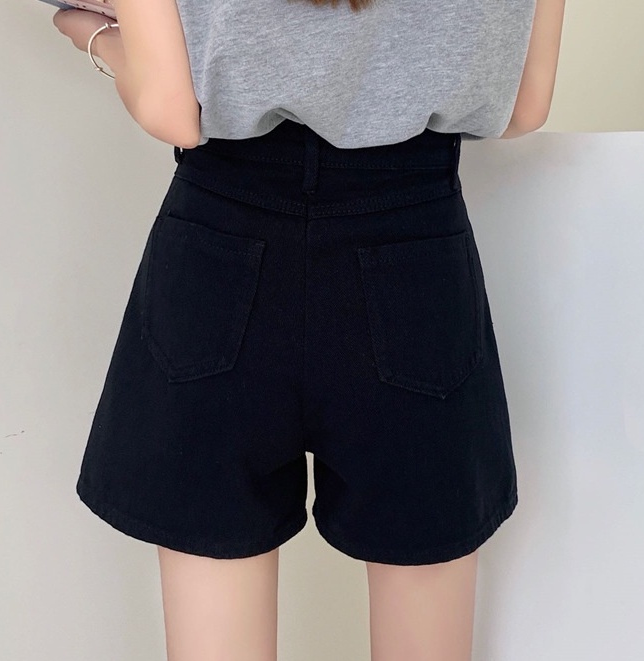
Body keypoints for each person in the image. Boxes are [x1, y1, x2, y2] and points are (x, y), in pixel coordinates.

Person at [52, 1, 565, 659]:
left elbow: (171, 111)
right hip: (415, 257)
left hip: (223, 251)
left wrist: (93, 33)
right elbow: (526, 106)